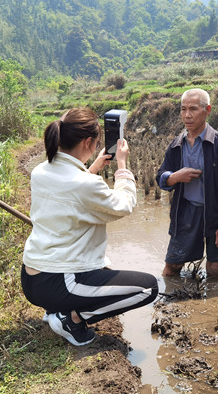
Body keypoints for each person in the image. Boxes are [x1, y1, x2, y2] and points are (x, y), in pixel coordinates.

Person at [22, 107, 159, 346]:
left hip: (32, 279)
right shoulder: (85, 184)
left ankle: (56, 308)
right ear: (87, 142)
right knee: (147, 288)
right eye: (96, 143)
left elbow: (70, 191)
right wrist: (122, 166)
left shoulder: (40, 171)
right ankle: (72, 318)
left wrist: (92, 167)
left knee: (104, 270)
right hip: (60, 282)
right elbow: (123, 205)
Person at [156, 89, 218, 278]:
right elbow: (161, 177)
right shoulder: (176, 145)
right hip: (186, 212)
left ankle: (214, 306)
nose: (187, 115)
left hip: (217, 213)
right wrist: (175, 177)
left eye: (193, 109)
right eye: (183, 109)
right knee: (172, 267)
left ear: (208, 110)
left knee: (214, 269)